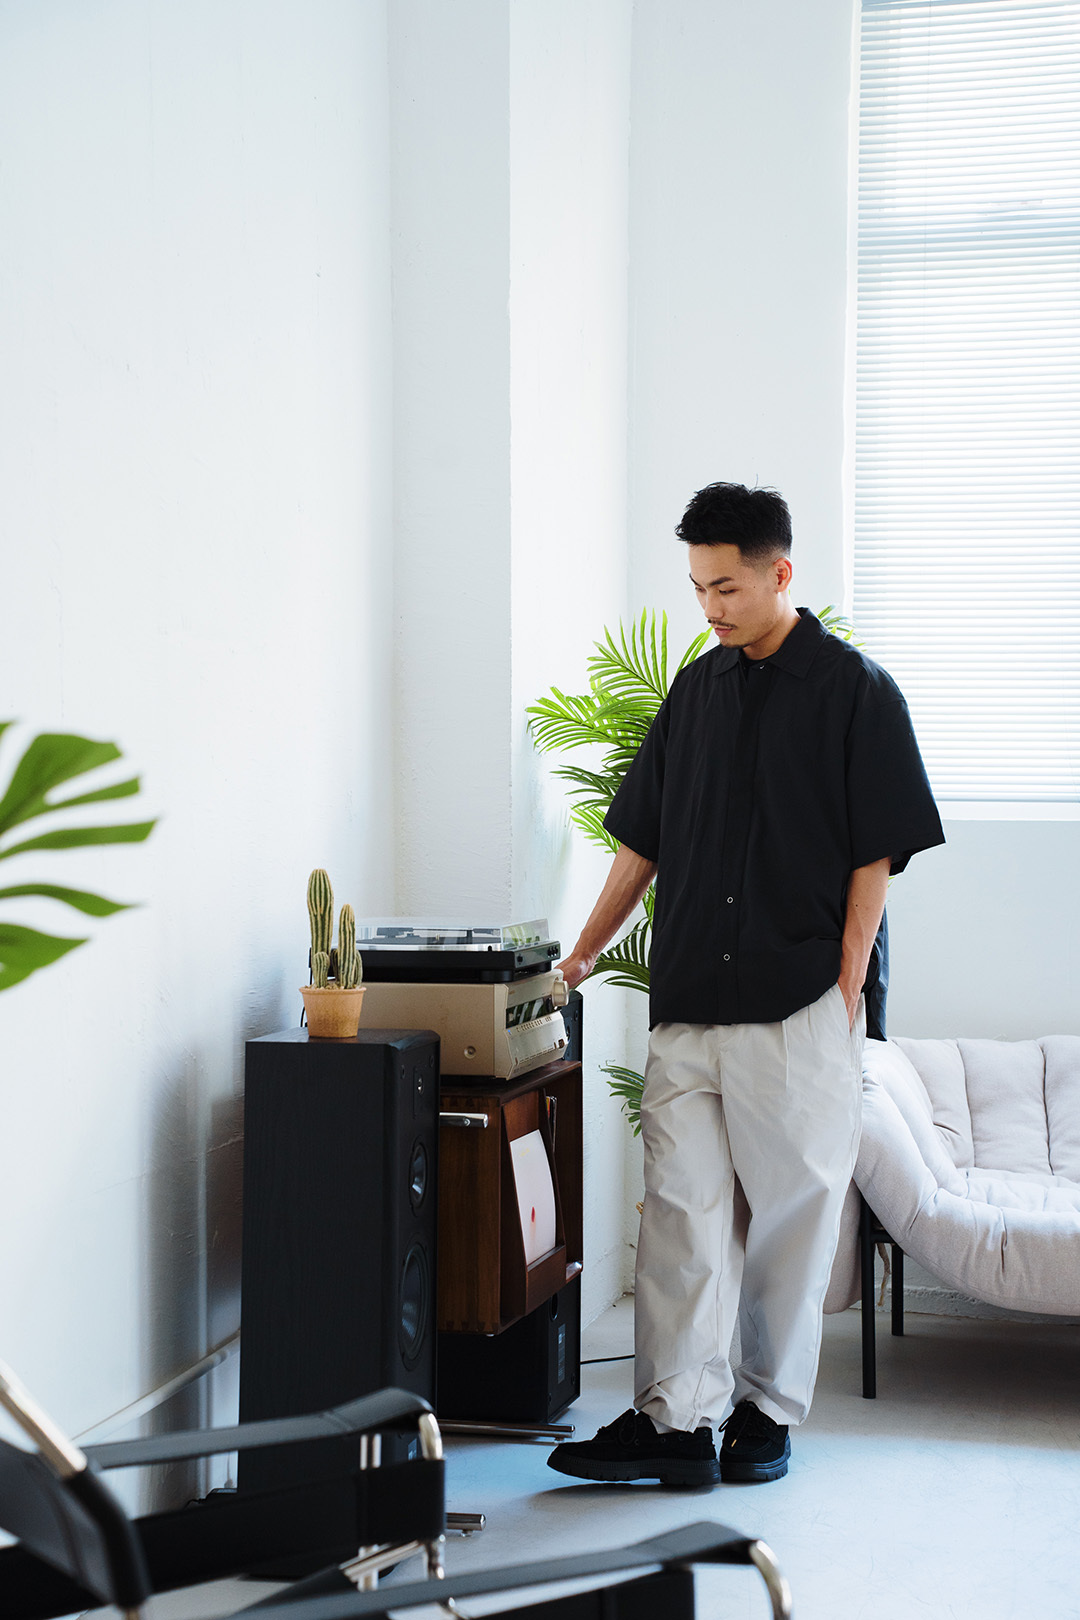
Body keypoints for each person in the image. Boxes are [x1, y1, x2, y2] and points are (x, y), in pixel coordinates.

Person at [547, 481, 944, 1487]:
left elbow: (876, 856)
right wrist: (584, 951)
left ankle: (764, 1414)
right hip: (689, 1000)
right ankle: (676, 1422)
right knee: (680, 1215)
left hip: (797, 1003)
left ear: (780, 573)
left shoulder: (857, 692)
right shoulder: (695, 691)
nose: (709, 607)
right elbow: (641, 842)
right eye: (697, 587)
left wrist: (846, 984)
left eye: (725, 587)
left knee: (789, 1223)